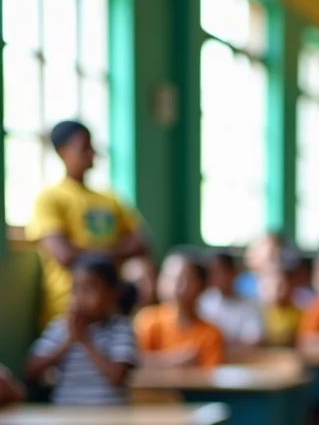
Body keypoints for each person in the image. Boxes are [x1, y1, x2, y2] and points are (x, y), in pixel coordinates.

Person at [27, 120, 149, 326]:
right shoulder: (50, 198)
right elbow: (64, 255)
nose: (92, 153)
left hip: (112, 310)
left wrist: (84, 250)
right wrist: (116, 250)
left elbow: (143, 244)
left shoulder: (111, 199)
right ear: (62, 151)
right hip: (67, 310)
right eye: (84, 147)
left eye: (92, 147)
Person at [26, 253, 137, 405]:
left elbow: (116, 378)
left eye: (89, 289)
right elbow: (31, 371)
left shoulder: (120, 329)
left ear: (113, 294)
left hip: (110, 418)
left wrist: (84, 340)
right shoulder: (60, 328)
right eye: (75, 289)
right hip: (66, 413)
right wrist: (68, 341)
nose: (80, 297)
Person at [135, 250, 225, 368]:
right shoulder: (147, 320)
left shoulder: (210, 334)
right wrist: (173, 360)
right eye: (168, 277)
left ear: (202, 286)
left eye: (182, 279)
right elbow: (134, 362)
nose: (174, 285)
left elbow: (209, 377)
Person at [200, 251, 266, 347]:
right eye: (212, 273)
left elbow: (254, 341)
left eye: (220, 271)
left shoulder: (249, 306)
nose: (216, 277)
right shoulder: (202, 303)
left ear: (234, 272)